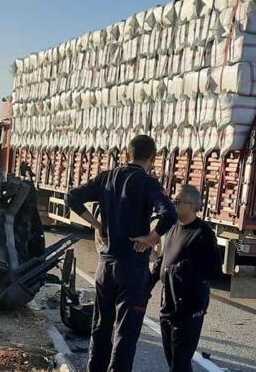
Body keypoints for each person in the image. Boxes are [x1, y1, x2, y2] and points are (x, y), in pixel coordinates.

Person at [66, 135, 177, 372]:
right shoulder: (148, 183)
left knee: (101, 327)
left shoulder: (107, 177)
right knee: (125, 334)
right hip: (132, 267)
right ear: (152, 159)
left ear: (127, 155)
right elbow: (169, 214)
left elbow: (71, 197)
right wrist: (151, 238)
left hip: (105, 266)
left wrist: (97, 225)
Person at [156, 184, 220, 372]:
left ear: (192, 205)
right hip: (168, 302)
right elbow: (163, 259)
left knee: (181, 362)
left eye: (177, 200)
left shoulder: (203, 234)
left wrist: (184, 272)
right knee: (172, 359)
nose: (172, 203)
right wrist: (145, 285)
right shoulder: (173, 227)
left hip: (189, 305)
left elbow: (213, 271)